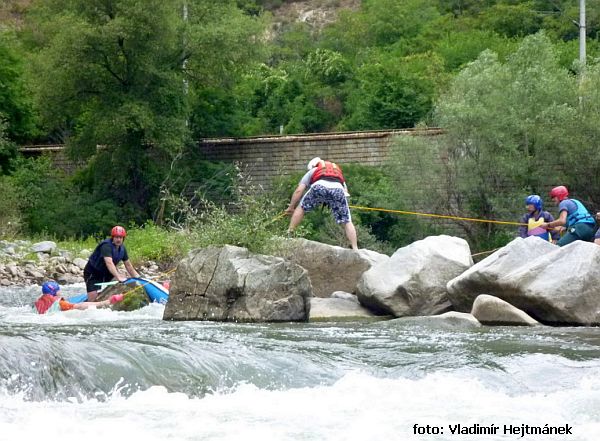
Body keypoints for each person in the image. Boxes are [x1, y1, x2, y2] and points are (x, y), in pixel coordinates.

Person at [286, 157, 358, 250]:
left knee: (302, 207)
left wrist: (291, 207)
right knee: (347, 220)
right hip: (338, 190)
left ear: (312, 166)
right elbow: (345, 192)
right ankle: (355, 248)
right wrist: (334, 203)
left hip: (319, 187)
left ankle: (290, 233)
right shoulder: (337, 171)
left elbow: (299, 190)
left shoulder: (314, 170)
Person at [83, 226, 140, 301]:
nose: (118, 239)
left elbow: (128, 265)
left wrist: (138, 278)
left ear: (123, 238)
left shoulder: (122, 249)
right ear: (112, 237)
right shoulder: (106, 246)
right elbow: (109, 263)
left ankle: (107, 300)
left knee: (121, 283)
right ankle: (90, 301)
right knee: (93, 300)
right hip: (93, 273)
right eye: (116, 237)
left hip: (107, 273)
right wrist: (118, 277)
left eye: (120, 237)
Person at [34, 281, 124, 314]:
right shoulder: (60, 303)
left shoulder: (38, 302)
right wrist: (105, 302)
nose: (60, 292)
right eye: (58, 290)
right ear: (54, 292)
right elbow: (80, 306)